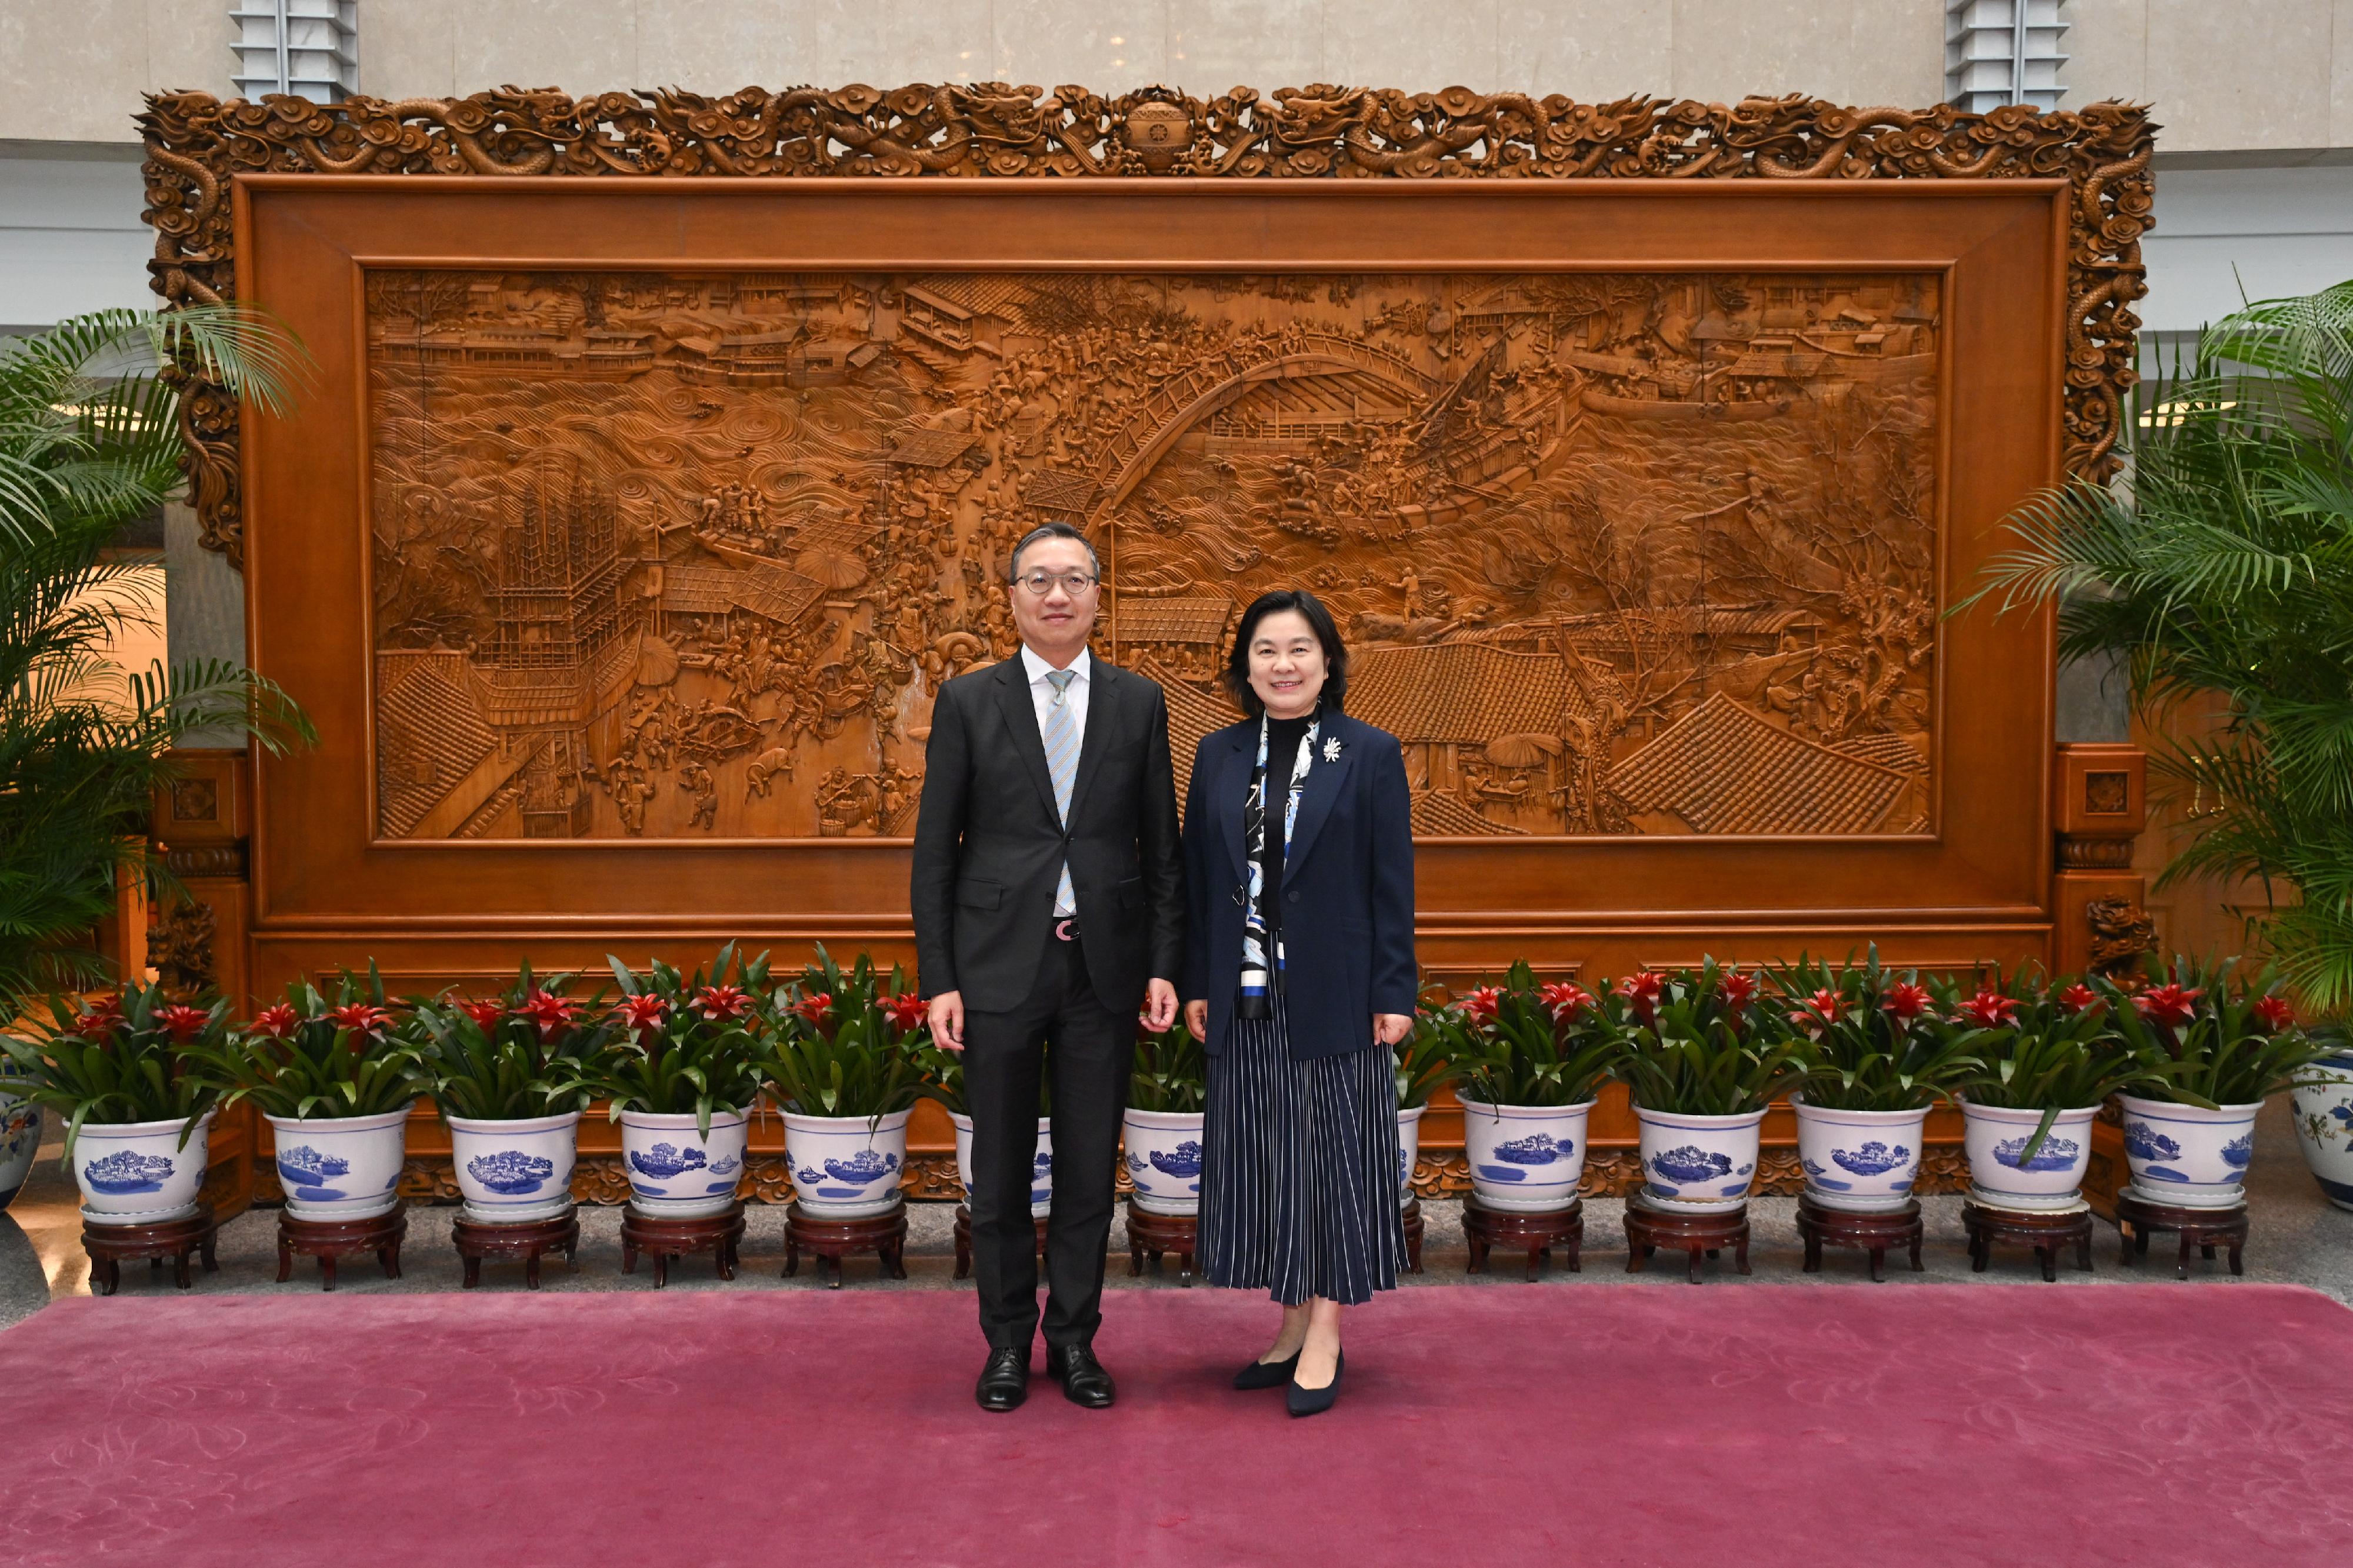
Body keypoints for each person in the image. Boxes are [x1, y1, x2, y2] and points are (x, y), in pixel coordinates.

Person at [911, 521, 1184, 1414]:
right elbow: (934, 856)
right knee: (997, 1175)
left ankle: (1073, 1341)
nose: (1057, 594)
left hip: (1102, 971)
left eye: (1074, 579)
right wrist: (940, 977)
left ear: (1100, 596)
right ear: (1014, 597)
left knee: (1082, 1173)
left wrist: (1161, 963)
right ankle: (1003, 1343)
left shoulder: (1139, 702)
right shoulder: (966, 700)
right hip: (994, 971)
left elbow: (1163, 849)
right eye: (1039, 580)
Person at [1182, 589, 1415, 1419]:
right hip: (1245, 996)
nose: (1283, 664)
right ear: (1245, 666)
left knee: (1329, 1158)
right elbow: (1200, 881)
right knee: (1269, 1157)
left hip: (1338, 993)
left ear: (1328, 661)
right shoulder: (1216, 753)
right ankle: (1286, 1322)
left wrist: (1395, 991)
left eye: (1300, 649)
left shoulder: (1370, 753)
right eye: (1266, 650)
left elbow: (1393, 885)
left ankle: (1326, 1330)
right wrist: (1198, 979)